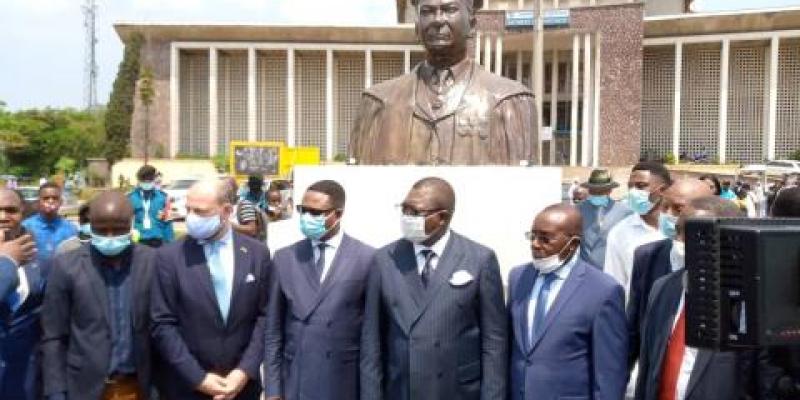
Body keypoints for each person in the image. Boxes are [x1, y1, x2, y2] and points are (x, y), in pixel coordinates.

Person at [360, 177, 508, 400]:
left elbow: (494, 341)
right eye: (404, 209)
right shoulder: (384, 260)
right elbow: (372, 339)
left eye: (416, 212)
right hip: (402, 388)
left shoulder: (479, 259)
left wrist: (493, 395)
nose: (407, 217)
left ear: (443, 218)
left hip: (457, 389)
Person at [349, 0, 535, 165]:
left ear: (472, 25)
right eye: (427, 11)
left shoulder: (508, 100)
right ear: (416, 28)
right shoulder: (378, 102)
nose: (437, 20)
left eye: (449, 9)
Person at [634, 196, 766, 400]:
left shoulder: (750, 302)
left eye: (690, 234)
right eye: (678, 231)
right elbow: (648, 368)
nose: (679, 241)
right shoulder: (663, 288)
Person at [150, 180, 271, 399]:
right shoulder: (168, 257)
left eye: (200, 211)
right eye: (188, 209)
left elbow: (265, 317)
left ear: (226, 211)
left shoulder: (257, 254)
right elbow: (162, 323)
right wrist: (198, 378)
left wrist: (244, 371)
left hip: (242, 387)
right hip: (187, 387)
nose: (191, 217)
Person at [41, 191, 158, 400]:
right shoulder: (67, 266)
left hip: (137, 386)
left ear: (131, 224)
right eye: (102, 231)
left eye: (119, 230)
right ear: (90, 226)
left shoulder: (152, 262)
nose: (110, 237)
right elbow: (54, 335)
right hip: (85, 387)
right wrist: (56, 391)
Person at [265, 180, 375, 400]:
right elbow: (273, 330)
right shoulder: (285, 257)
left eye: (316, 212)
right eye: (303, 210)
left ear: (338, 214)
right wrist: (273, 389)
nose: (307, 217)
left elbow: (372, 336)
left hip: (342, 379)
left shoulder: (367, 258)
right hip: (296, 378)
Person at [508, 204, 628, 400]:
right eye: (533, 236)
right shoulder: (519, 277)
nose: (535, 244)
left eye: (545, 238)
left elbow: (609, 373)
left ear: (572, 244)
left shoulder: (603, 290)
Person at [627, 179, 714, 369]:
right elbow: (633, 327)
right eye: (664, 206)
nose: (667, 214)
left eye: (677, 208)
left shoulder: (729, 262)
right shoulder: (647, 256)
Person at [0, 189, 50, 399]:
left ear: (22, 213)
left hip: (25, 372)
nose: (3, 217)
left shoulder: (41, 258)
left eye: (11, 210)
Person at [604, 161, 672, 299]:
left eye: (641, 186)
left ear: (663, 190)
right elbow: (615, 284)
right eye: (630, 186)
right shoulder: (619, 233)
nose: (633, 192)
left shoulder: (677, 227)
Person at [576, 169, 632, 269]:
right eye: (594, 190)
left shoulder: (625, 211)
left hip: (612, 269)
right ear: (589, 190)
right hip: (584, 269)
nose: (598, 193)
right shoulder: (577, 210)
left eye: (602, 191)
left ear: (610, 190)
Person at [21, 182, 77, 263]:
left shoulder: (71, 229)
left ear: (61, 202)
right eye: (46, 198)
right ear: (38, 201)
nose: (50, 201)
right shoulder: (26, 227)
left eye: (55, 198)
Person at [128, 165, 173, 248]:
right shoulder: (130, 198)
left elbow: (167, 222)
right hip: (138, 241)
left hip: (157, 241)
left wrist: (170, 244)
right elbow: (126, 222)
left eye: (149, 180)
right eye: (144, 180)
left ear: (154, 180)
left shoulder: (163, 198)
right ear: (139, 180)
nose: (147, 183)